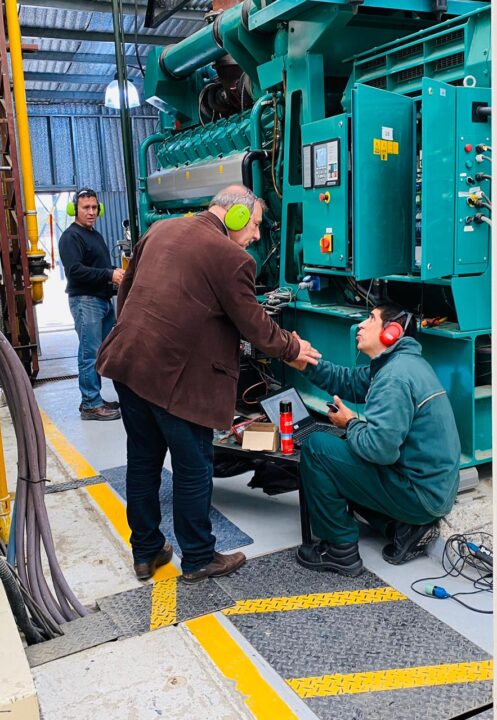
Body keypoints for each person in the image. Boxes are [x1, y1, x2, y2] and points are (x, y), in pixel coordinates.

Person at [96, 185, 321, 583]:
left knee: (144, 462)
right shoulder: (231, 258)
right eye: (253, 226)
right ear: (234, 217)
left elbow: (126, 293)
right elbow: (254, 325)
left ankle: (146, 552)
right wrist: (292, 347)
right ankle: (198, 557)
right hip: (176, 382)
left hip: (129, 365)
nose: (255, 236)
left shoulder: (160, 230)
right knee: (193, 467)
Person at [288, 304, 460, 577]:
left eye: (370, 319)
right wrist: (305, 363)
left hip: (419, 495)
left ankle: (340, 550)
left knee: (318, 448)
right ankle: (403, 530)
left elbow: (380, 451)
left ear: (391, 332)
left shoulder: (394, 377)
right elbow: (346, 380)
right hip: (430, 491)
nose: (361, 325)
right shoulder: (397, 365)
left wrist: (350, 424)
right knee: (345, 463)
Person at [59, 188, 125, 421]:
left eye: (94, 208)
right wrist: (109, 274)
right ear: (74, 209)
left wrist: (113, 281)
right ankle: (90, 404)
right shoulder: (71, 237)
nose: (91, 212)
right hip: (86, 301)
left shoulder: (94, 235)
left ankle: (94, 398)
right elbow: (75, 271)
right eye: (86, 207)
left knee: (103, 352)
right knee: (90, 353)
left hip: (102, 300)